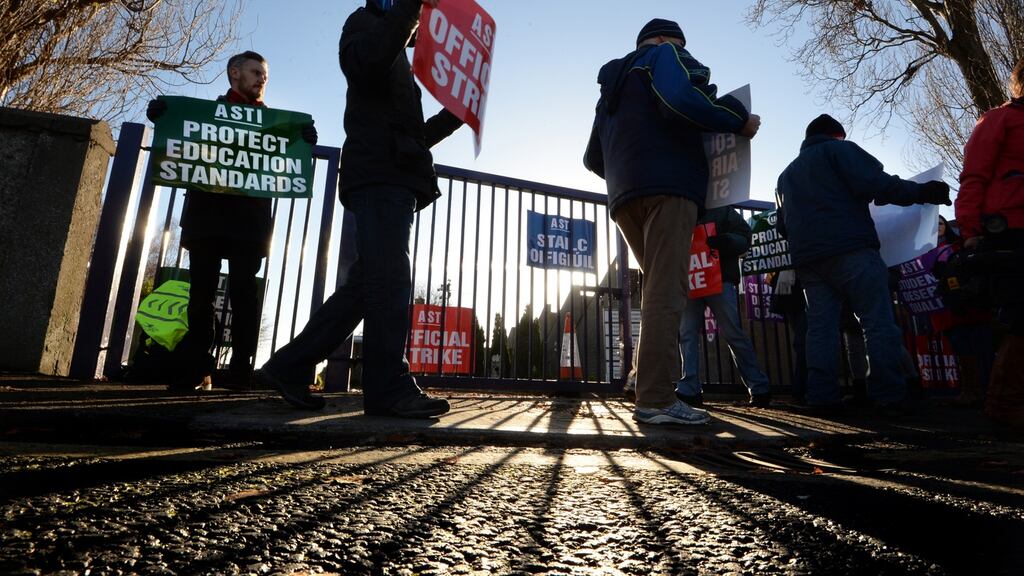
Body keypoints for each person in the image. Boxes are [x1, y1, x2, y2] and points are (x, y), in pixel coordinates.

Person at [253, 0, 463, 416]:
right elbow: (365, 65)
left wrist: (452, 117)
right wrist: (406, 14)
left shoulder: (397, 58)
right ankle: (388, 388)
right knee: (390, 282)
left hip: (392, 176)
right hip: (378, 178)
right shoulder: (362, 24)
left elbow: (409, 136)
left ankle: (288, 366)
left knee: (367, 288)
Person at [584, 18, 760, 425]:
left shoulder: (611, 87)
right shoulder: (663, 56)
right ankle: (658, 399)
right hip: (670, 191)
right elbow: (680, 97)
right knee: (668, 293)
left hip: (624, 199)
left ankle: (644, 379)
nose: (685, 55)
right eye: (683, 47)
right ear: (663, 40)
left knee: (660, 292)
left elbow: (593, 158)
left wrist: (631, 172)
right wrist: (737, 119)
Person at [146, 51, 318, 392]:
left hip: (248, 222)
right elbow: (182, 138)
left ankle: (241, 371)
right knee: (201, 295)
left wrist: (303, 140)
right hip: (208, 216)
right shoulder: (203, 117)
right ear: (234, 73)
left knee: (243, 295)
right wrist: (164, 117)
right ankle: (196, 367)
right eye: (256, 72)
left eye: (265, 75)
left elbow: (287, 163)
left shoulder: (275, 126)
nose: (262, 79)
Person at [776, 114, 951, 414]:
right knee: (876, 322)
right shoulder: (840, 150)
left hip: (809, 260)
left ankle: (822, 397)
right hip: (851, 249)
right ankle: (888, 394)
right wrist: (923, 192)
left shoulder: (785, 176)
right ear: (837, 135)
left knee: (820, 328)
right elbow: (878, 184)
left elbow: (782, 226)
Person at [955, 57, 1024, 426]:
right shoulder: (999, 119)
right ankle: (1004, 407)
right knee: (1020, 316)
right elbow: (974, 175)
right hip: (1009, 230)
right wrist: (970, 230)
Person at [677, 206, 772, 408]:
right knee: (687, 333)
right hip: (694, 279)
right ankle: (689, 389)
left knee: (730, 333)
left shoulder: (721, 210)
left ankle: (758, 386)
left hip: (717, 279)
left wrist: (727, 241)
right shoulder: (690, 209)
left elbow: (745, 236)